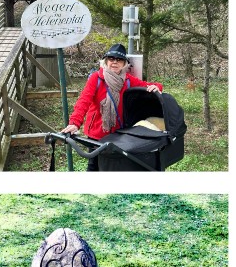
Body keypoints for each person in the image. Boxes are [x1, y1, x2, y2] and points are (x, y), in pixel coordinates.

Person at [61, 43, 163, 171]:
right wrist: (75, 123)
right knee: (94, 165)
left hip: (118, 134)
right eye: (111, 59)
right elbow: (83, 101)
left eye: (119, 59)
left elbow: (152, 85)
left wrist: (156, 87)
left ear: (124, 63)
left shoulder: (128, 80)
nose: (115, 62)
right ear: (106, 61)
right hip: (97, 133)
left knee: (115, 166)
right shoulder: (96, 79)